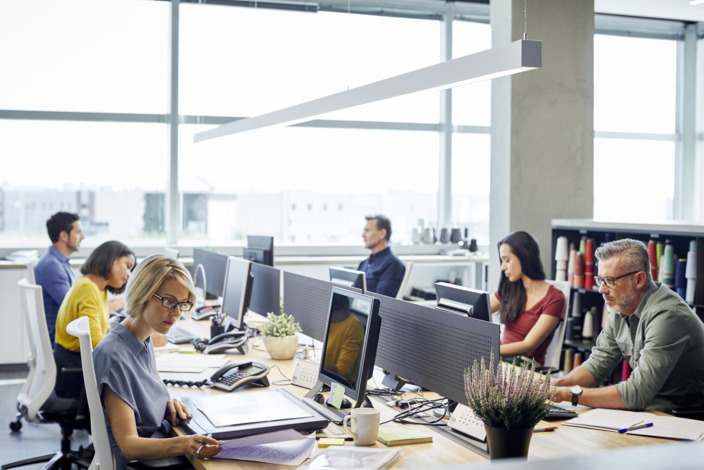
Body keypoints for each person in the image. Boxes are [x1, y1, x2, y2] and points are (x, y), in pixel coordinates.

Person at [93, 254, 222, 468]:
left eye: (183, 303)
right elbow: (129, 445)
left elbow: (146, 389)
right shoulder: (114, 355)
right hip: (139, 462)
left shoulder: (141, 336)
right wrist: (186, 444)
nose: (177, 312)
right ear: (142, 294)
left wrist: (166, 402)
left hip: (155, 445)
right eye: (169, 302)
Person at [552, 238, 704, 413]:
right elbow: (597, 364)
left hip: (685, 418)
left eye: (610, 280)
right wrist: (555, 385)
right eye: (600, 280)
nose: (601, 289)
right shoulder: (620, 309)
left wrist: (566, 394)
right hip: (650, 411)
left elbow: (636, 394)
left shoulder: (668, 316)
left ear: (639, 279)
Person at [53, 240, 136, 402]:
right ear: (112, 259)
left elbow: (102, 333)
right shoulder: (88, 288)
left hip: (77, 365)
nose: (129, 274)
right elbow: (97, 344)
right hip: (73, 371)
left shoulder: (97, 288)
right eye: (127, 266)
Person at [489, 231, 565, 365]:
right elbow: (478, 308)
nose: (503, 267)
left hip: (525, 366)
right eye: (502, 261)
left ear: (524, 256)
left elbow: (528, 346)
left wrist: (488, 350)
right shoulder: (510, 289)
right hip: (499, 360)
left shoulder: (555, 299)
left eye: (507, 260)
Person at [34, 211, 84, 345]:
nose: (82, 237)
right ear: (63, 235)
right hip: (59, 339)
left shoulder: (57, 262)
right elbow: (72, 307)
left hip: (62, 331)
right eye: (78, 232)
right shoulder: (52, 266)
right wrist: (107, 309)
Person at [358, 215, 406, 297]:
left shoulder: (393, 265)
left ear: (382, 233)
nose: (363, 235)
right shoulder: (364, 263)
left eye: (367, 231)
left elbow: (381, 300)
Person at [323, 293, 364, 386]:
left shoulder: (353, 326)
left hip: (339, 385)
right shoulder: (332, 322)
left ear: (333, 312)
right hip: (324, 378)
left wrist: (318, 366)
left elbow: (343, 371)